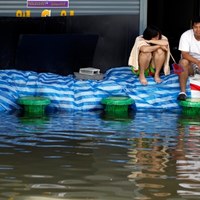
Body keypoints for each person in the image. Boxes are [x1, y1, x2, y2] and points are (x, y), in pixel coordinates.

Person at [177, 16, 200, 101]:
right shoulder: (186, 35)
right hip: (191, 65)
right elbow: (185, 54)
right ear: (192, 27)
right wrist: (198, 62)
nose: (198, 30)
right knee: (183, 62)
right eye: (196, 27)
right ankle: (183, 92)